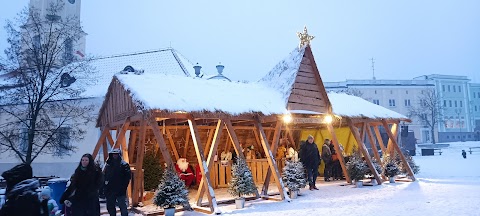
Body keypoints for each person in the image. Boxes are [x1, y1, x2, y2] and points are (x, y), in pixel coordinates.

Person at [104, 149, 131, 216]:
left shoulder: (124, 165)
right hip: (110, 189)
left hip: (120, 189)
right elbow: (106, 176)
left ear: (119, 155)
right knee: (110, 206)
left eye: (116, 154)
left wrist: (123, 188)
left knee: (122, 206)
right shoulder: (109, 164)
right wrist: (105, 187)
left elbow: (127, 178)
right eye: (113, 154)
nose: (115, 155)